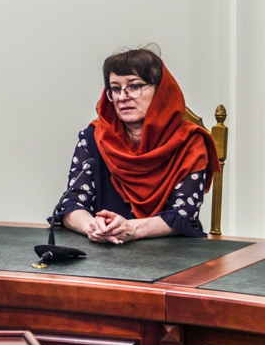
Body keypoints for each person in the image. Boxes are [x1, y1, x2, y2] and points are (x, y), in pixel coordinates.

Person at [56, 47, 220, 242]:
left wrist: (131, 229)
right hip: (102, 250)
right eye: (115, 89)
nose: (122, 97)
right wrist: (91, 227)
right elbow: (71, 204)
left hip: (170, 253)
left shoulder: (190, 142)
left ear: (160, 91)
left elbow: (183, 214)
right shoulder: (94, 138)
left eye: (134, 86)